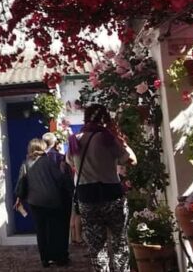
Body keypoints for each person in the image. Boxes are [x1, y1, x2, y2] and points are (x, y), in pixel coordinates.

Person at [68, 104, 137, 272]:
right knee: (119, 243)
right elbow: (132, 160)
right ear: (104, 119)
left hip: (87, 197)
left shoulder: (75, 140)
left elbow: (70, 163)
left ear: (85, 118)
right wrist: (120, 138)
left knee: (96, 247)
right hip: (112, 194)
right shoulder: (108, 139)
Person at [15, 138, 74, 268]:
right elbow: (58, 178)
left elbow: (21, 182)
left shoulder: (26, 163)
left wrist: (19, 198)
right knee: (54, 229)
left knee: (41, 230)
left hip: (35, 201)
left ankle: (45, 259)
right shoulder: (48, 161)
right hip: (52, 200)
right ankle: (57, 256)